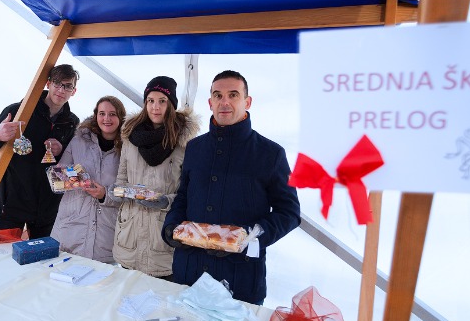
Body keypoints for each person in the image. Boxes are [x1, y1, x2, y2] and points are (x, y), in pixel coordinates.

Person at [164, 70, 300, 305]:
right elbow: (184, 196)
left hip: (240, 280)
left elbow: (288, 213)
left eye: (233, 95)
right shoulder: (195, 148)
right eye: (218, 95)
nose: (224, 102)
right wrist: (171, 226)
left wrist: (246, 238)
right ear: (210, 103)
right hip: (189, 273)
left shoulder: (270, 154)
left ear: (247, 102)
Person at [0, 64, 80, 239]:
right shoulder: (16, 112)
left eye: (67, 85)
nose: (61, 89)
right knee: (5, 258)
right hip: (11, 205)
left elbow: (72, 167)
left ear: (74, 91)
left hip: (46, 208)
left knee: (40, 261)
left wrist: (61, 150)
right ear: (48, 84)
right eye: (57, 83)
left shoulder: (71, 122)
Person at [114, 76, 201, 279]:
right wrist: (117, 191)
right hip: (130, 233)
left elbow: (189, 192)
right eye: (151, 100)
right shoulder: (130, 135)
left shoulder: (185, 142)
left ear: (171, 104)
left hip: (162, 234)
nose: (155, 107)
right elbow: (121, 179)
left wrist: (165, 201)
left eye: (162, 101)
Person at [49, 96, 125, 263]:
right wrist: (78, 179)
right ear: (95, 115)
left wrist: (105, 194)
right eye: (102, 113)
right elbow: (57, 176)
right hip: (72, 226)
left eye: (112, 114)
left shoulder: (127, 149)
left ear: (120, 117)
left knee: (99, 283)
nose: (106, 119)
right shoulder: (79, 140)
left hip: (106, 230)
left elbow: (129, 190)